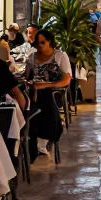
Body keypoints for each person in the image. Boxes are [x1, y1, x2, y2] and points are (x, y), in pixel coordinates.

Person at [24, 28, 71, 158]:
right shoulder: (32, 57)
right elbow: (27, 76)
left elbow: (66, 80)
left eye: (42, 42)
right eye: (37, 43)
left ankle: (43, 139)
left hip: (54, 93)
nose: (39, 45)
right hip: (34, 92)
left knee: (44, 100)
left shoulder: (60, 56)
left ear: (50, 42)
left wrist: (45, 85)